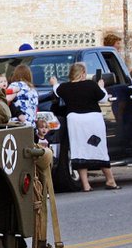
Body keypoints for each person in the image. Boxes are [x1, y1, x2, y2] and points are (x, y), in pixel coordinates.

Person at [51, 62, 120, 191]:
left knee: (79, 149)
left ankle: (86, 185)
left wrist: (54, 82)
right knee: (98, 147)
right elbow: (103, 98)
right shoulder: (90, 85)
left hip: (75, 121)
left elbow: (56, 89)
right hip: (93, 120)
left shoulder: (65, 87)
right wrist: (101, 86)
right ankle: (110, 180)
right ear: (83, 73)